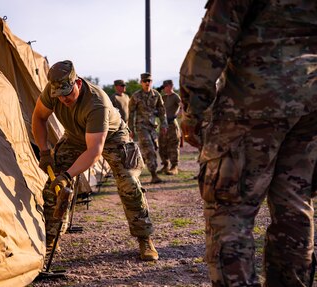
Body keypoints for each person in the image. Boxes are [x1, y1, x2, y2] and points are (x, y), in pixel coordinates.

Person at [179, 1, 317, 286]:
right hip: (311, 106)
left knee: (230, 208)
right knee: (294, 204)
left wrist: (193, 112)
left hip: (252, 101)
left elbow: (211, 41)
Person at [32, 60, 159, 261]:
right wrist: (45, 152)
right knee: (54, 184)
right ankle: (50, 239)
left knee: (129, 185)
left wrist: (67, 175)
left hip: (112, 138)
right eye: (59, 95)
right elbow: (39, 117)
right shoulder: (53, 90)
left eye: (68, 93)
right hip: (75, 136)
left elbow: (94, 151)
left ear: (78, 84)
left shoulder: (96, 103)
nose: (63, 99)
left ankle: (144, 238)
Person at [129, 73, 167, 184]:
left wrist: (164, 124)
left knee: (153, 147)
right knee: (149, 149)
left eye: (149, 81)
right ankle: (154, 175)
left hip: (152, 127)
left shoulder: (156, 95)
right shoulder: (136, 96)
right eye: (145, 81)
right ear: (141, 83)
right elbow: (131, 113)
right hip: (141, 127)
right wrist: (130, 129)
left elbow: (162, 111)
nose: (147, 83)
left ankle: (139, 165)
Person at [157, 79, 182, 175]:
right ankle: (165, 165)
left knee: (173, 145)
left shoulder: (175, 96)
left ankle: (174, 166)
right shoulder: (163, 97)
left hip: (172, 124)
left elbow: (182, 106)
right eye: (164, 86)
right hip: (163, 124)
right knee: (162, 145)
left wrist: (177, 115)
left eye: (166, 86)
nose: (165, 88)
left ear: (171, 86)